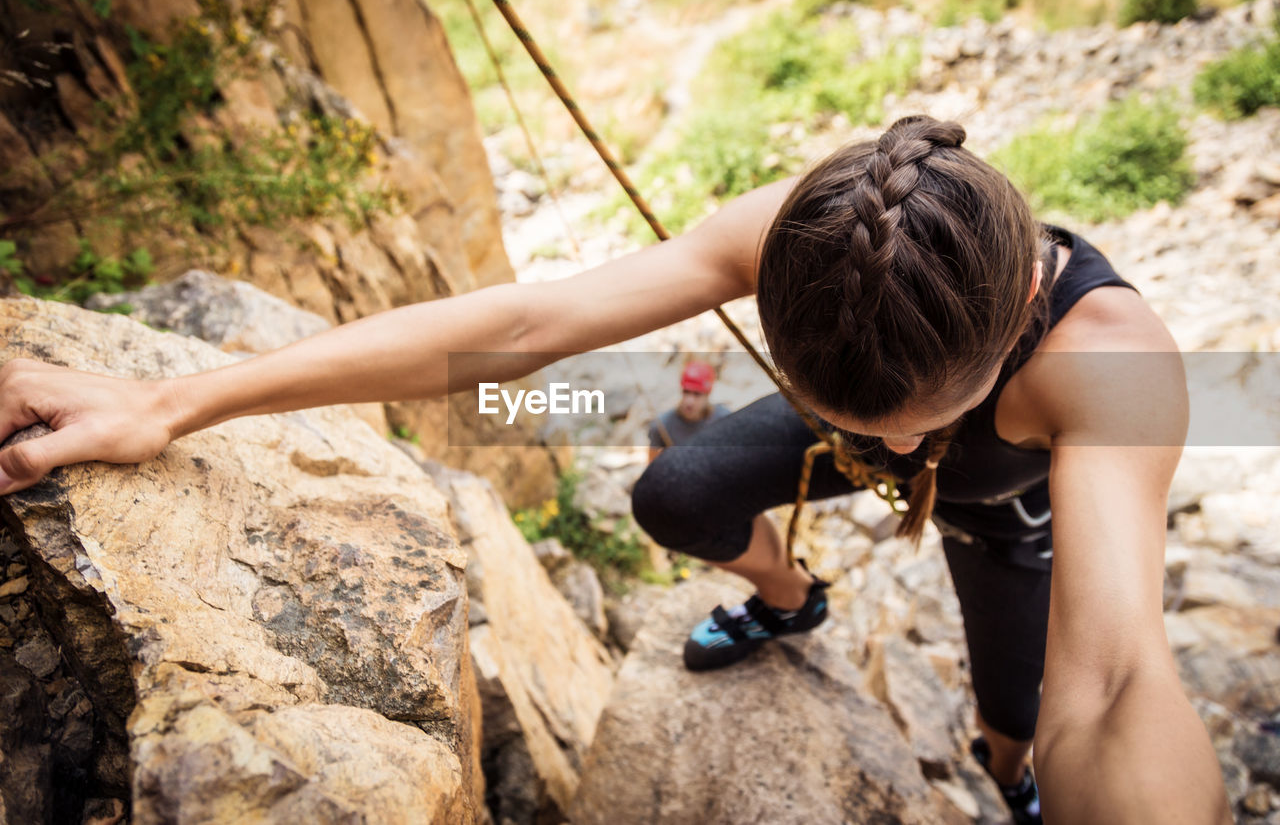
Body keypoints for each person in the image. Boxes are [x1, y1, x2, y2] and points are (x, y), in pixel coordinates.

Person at [0, 116, 1230, 824]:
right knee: (673, 491)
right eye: (857, 414)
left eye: (921, 422)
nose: (895, 450)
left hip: (1003, 502)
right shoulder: (815, 231)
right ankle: (794, 599)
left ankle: (1004, 783)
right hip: (866, 402)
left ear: (1016, 309)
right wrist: (174, 400)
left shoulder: (1107, 358)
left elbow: (1116, 681)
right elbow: (525, 329)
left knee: (1023, 719)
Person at [647, 360, 731, 461]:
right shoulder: (661, 426)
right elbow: (652, 467)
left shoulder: (724, 419)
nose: (689, 401)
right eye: (686, 392)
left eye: (697, 394)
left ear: (708, 394)